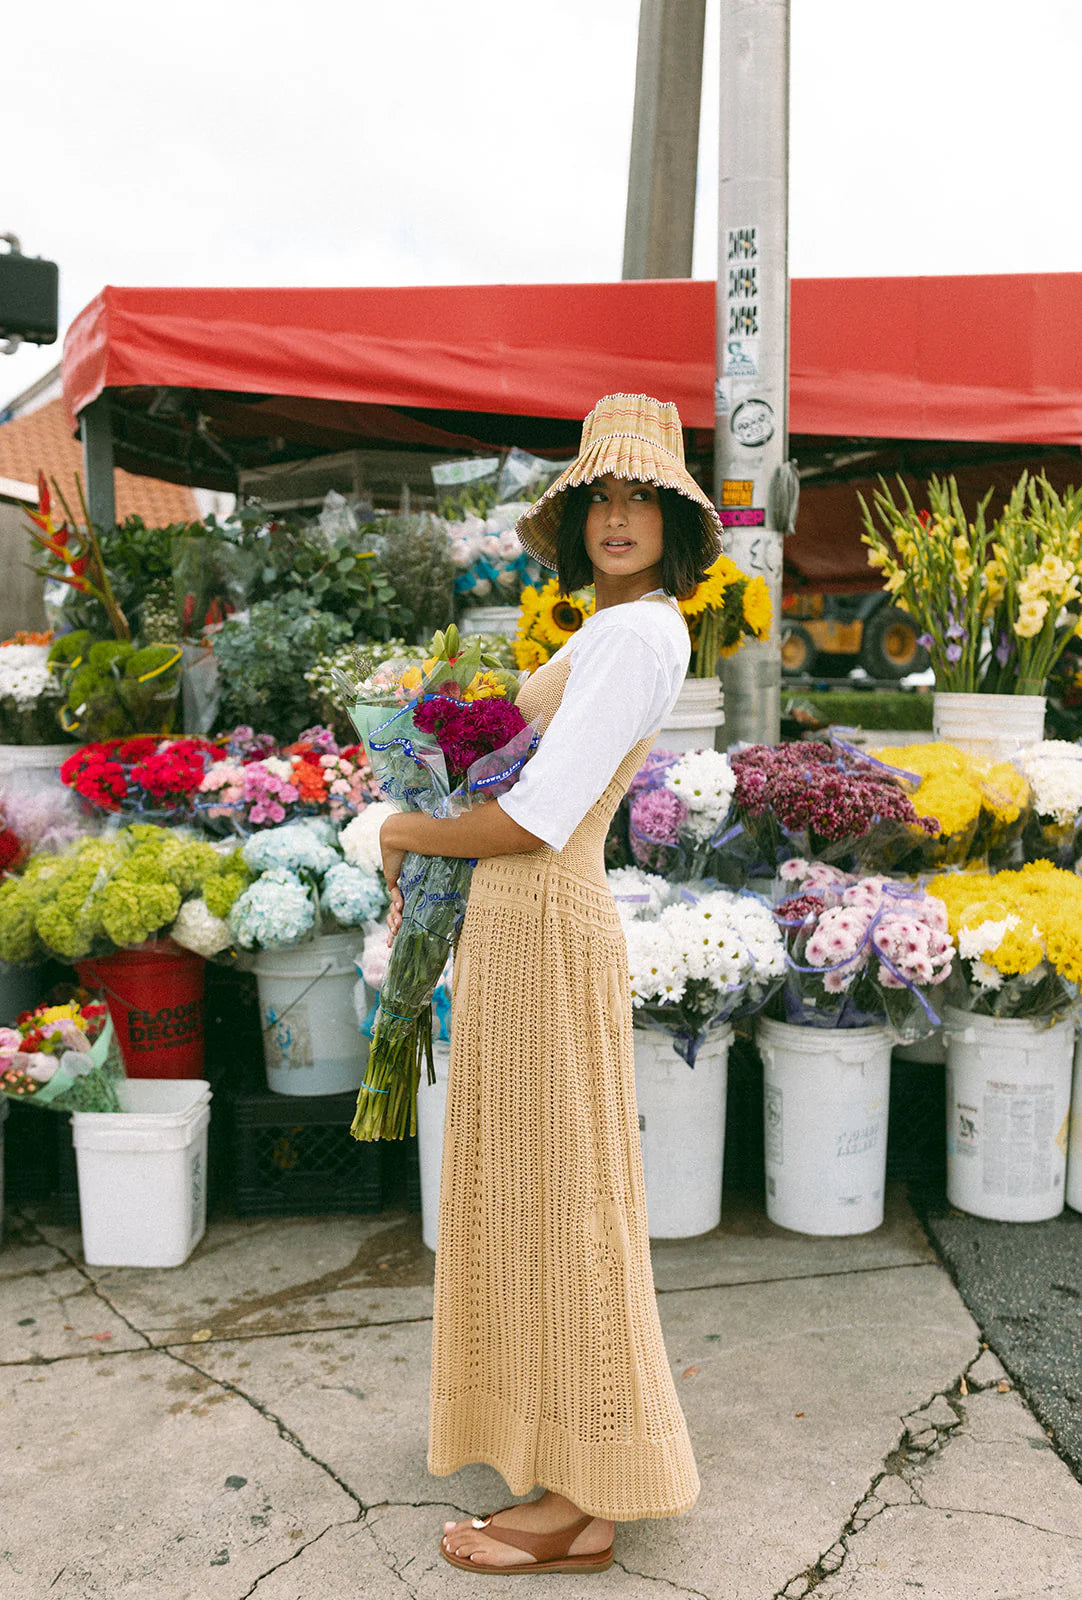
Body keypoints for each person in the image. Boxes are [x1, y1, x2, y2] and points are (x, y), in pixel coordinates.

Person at [378, 393, 723, 1575]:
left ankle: (587, 1478)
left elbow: (530, 817)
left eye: (643, 499)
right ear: (577, 517)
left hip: (541, 918)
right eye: (602, 498)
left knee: (557, 1204)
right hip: (527, 930)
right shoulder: (618, 627)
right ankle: (576, 1479)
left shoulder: (635, 635)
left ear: (673, 523)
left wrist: (407, 824)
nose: (619, 516)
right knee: (549, 1199)